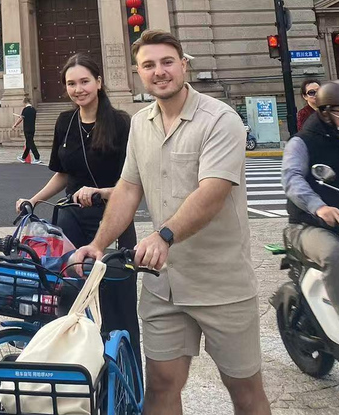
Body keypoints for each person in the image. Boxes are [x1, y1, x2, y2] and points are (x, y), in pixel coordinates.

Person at [74, 30, 270, 415]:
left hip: (221, 283)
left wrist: (164, 235)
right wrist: (98, 245)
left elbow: (213, 190)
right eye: (149, 65)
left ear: (184, 65)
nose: (159, 71)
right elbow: (128, 188)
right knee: (161, 385)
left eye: (167, 62)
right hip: (163, 284)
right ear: (138, 74)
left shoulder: (220, 119)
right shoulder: (140, 123)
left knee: (244, 389)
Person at [14, 53, 140, 365]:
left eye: (84, 81)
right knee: (66, 299)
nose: (78, 89)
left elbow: (137, 181)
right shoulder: (65, 122)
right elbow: (64, 174)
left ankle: (127, 377)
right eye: (71, 83)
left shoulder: (122, 123)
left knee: (118, 306)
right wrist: (34, 198)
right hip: (71, 220)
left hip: (114, 220)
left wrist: (101, 192)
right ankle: (77, 370)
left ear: (98, 83)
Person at [282, 80, 339, 380]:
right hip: (309, 226)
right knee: (334, 256)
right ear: (324, 113)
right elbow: (293, 179)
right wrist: (318, 206)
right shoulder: (303, 143)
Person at [12, 97, 41, 164]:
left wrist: (15, 125)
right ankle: (23, 157)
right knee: (28, 143)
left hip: (27, 128)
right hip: (32, 128)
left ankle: (37, 157)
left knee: (30, 143)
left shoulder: (25, 109)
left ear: (25, 102)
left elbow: (21, 119)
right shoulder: (33, 109)